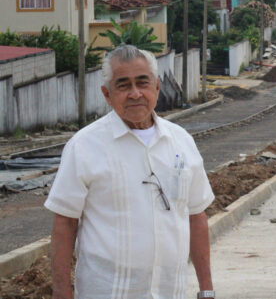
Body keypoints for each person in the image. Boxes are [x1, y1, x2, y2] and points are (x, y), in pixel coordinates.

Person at [45, 45, 216, 299]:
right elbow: (64, 223)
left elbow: (196, 217)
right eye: (123, 85)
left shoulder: (181, 142)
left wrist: (207, 290)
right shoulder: (84, 147)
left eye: (142, 83)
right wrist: (62, 292)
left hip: (171, 292)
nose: (135, 93)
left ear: (157, 87)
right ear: (107, 93)